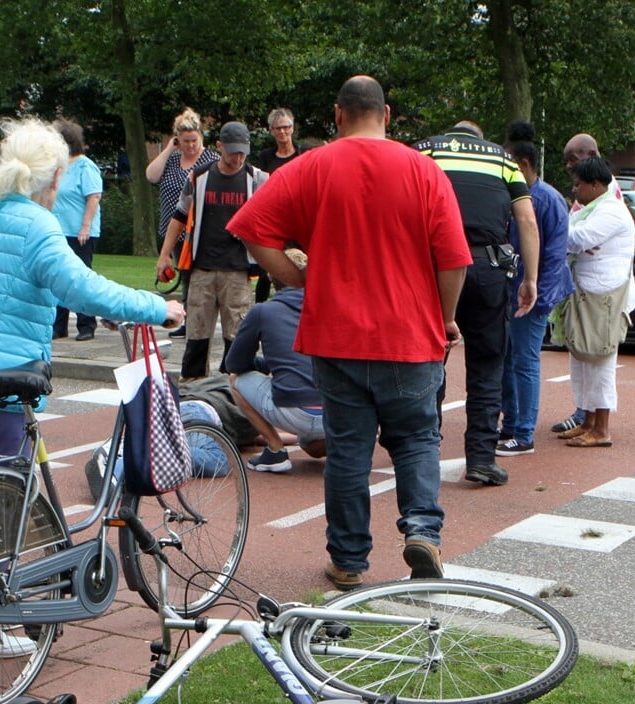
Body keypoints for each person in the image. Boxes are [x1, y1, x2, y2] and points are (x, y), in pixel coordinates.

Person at [0, 117, 184, 660]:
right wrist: (155, 306)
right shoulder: (38, 227)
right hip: (1, 383)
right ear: (52, 178)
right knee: (4, 509)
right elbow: (81, 287)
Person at [228, 75, 470, 592]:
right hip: (409, 334)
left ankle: (349, 561)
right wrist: (445, 317)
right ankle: (423, 533)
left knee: (348, 449)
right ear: (386, 115)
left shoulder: (309, 167)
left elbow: (250, 228)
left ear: (338, 115)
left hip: (336, 336)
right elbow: (453, 261)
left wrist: (298, 279)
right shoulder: (424, 171)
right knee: (416, 439)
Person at [414, 120, 538, 486]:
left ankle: (422, 450)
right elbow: (527, 221)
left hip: (434, 266)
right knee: (486, 367)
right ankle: (482, 459)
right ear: (480, 138)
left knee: (428, 360)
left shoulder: (426, 150)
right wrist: (529, 278)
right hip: (487, 268)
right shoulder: (503, 159)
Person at [158, 121, 268, 381]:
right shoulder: (199, 176)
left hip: (238, 271)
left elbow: (272, 219)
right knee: (196, 336)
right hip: (202, 269)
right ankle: (192, 391)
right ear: (219, 147)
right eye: (232, 152)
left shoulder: (258, 179)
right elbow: (179, 215)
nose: (238, 157)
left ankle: (234, 390)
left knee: (237, 338)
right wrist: (164, 255)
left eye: (243, 152)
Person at [497, 120, 572, 457]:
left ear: (522, 164)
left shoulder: (545, 200)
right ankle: (511, 425)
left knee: (524, 361)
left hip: (531, 294)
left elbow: (556, 255)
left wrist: (540, 295)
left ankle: (523, 432)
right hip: (516, 290)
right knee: (510, 360)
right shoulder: (521, 196)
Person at [223, 248, 326, 473]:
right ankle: (338, 444)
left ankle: (275, 449)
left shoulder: (263, 311)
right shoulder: (329, 308)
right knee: (313, 447)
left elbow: (235, 364)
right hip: (335, 412)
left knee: (235, 380)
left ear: (273, 278)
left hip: (295, 410)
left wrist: (267, 364)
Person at [560, 156, 635, 448]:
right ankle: (587, 421)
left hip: (604, 295)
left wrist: (554, 230)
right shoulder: (591, 208)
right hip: (586, 291)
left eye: (579, 185)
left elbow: (578, 239)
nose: (575, 190)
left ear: (595, 185)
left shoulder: (611, 211)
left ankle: (602, 428)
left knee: (600, 359)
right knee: (582, 359)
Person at [146, 108, 219, 336]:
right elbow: (151, 176)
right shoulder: (172, 159)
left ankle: (194, 320)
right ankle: (187, 319)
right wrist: (169, 148)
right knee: (184, 273)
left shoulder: (211, 160)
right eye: (185, 141)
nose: (190, 145)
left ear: (201, 137)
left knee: (195, 275)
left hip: (199, 229)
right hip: (173, 228)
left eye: (193, 140)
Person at [251, 108, 310, 304]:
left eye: (286, 127)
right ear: (272, 131)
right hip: (276, 218)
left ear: (292, 129)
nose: (283, 132)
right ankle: (260, 309)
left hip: (299, 217)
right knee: (267, 269)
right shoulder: (267, 157)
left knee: (304, 264)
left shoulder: (304, 153)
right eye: (278, 128)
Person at [50, 119, 101, 342]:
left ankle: (87, 324)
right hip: (58, 231)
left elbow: (93, 197)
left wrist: (85, 226)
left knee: (80, 277)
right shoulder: (57, 167)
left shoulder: (85, 166)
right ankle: (59, 325)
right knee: (57, 277)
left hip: (79, 232)